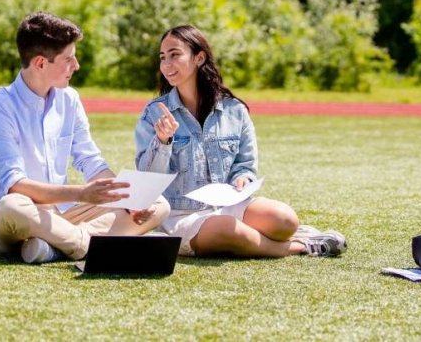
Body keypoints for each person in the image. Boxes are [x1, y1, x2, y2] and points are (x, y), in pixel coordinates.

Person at [135, 24, 346, 258]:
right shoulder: (154, 113)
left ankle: (292, 234)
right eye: (163, 57)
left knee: (285, 219)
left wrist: (243, 178)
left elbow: (245, 165)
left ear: (199, 58)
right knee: (228, 230)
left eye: (175, 55)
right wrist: (163, 142)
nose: (166, 64)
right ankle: (303, 247)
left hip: (227, 205)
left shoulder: (234, 110)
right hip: (179, 215)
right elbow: (146, 180)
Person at [0, 11, 169, 263]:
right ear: (40, 63)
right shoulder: (1, 105)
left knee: (157, 203)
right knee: (12, 205)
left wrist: (127, 199)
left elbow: (91, 161)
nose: (76, 66)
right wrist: (81, 193)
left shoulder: (70, 99)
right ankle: (86, 245)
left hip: (63, 216)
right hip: (18, 220)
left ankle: (51, 248)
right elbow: (15, 184)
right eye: (68, 59)